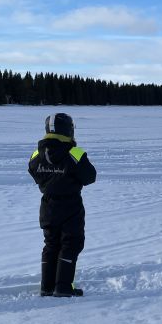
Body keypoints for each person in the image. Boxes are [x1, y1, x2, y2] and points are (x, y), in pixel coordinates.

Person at [28, 113, 96, 297]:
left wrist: (50, 181)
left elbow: (33, 171)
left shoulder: (37, 154)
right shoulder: (74, 154)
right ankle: (63, 287)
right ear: (69, 130)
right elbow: (90, 176)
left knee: (51, 244)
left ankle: (47, 287)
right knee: (71, 243)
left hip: (48, 205)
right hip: (70, 205)